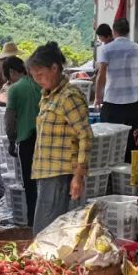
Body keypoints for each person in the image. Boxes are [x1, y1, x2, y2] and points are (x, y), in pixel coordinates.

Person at [29, 42, 93, 234]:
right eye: (34, 77)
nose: (38, 80)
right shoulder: (49, 96)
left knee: (48, 233)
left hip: (61, 175)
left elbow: (86, 136)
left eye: (40, 75)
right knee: (48, 233)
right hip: (46, 173)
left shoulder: (69, 97)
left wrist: (78, 176)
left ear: (55, 68)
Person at [95, 18, 138, 161]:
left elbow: (101, 75)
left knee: (111, 138)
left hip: (112, 101)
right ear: (128, 32)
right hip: (134, 101)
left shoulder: (106, 49)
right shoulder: (137, 48)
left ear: (114, 32)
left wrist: (97, 96)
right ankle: (129, 172)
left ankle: (112, 170)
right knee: (133, 138)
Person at [4, 56, 41, 226]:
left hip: (27, 140)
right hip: (44, 138)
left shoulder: (15, 89)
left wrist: (11, 140)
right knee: (44, 183)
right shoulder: (38, 84)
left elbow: (10, 119)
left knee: (30, 184)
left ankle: (32, 222)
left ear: (12, 72)